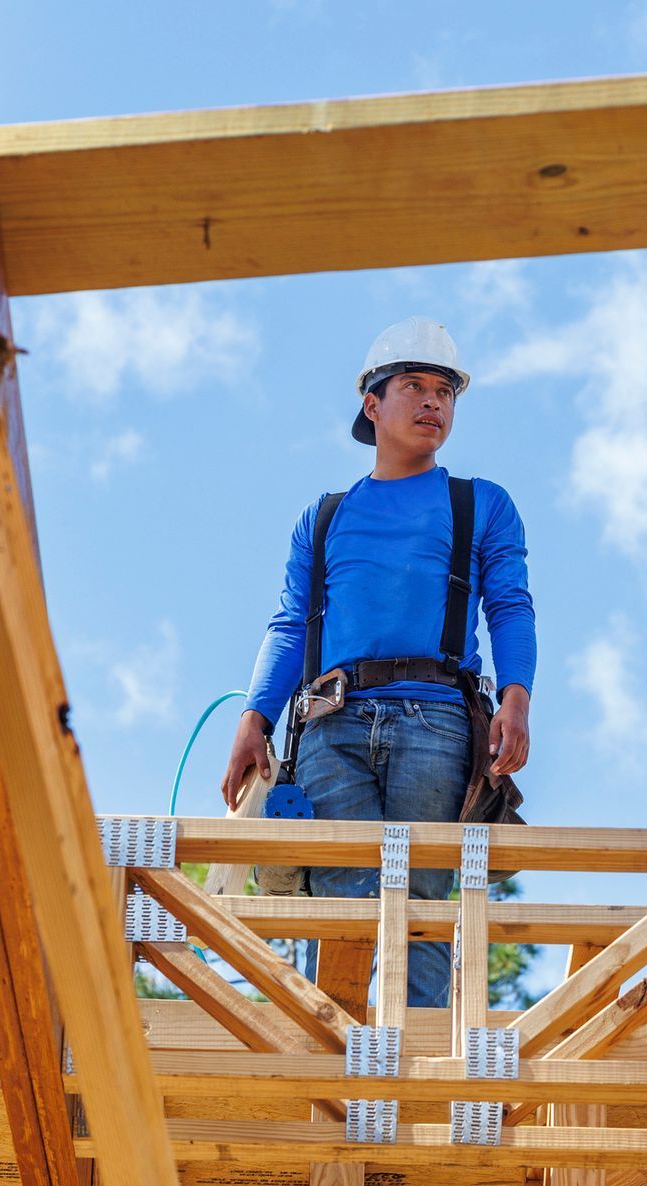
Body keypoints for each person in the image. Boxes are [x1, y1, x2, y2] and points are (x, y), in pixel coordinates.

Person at [220, 317, 536, 1007]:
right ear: (373, 404)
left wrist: (516, 697)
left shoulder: (480, 504)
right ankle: (335, 1093)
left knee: (420, 906)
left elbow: (510, 604)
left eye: (445, 391)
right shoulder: (325, 518)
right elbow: (287, 623)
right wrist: (255, 720)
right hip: (333, 724)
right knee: (340, 906)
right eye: (415, 386)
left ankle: (409, 1098)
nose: (433, 403)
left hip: (439, 725)